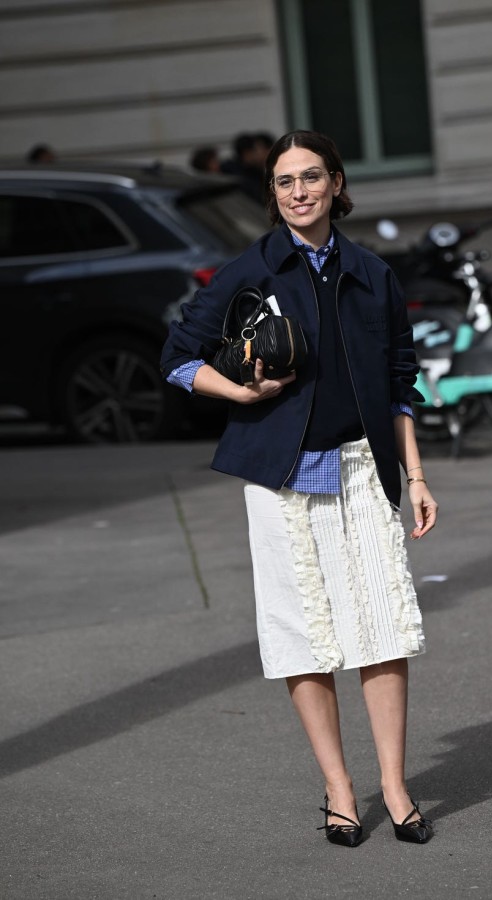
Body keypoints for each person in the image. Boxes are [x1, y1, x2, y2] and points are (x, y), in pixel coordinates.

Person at [161, 130, 438, 848]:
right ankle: (340, 790)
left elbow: (400, 381)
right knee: (307, 639)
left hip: (362, 467)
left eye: (312, 176)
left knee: (382, 629)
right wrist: (242, 395)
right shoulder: (247, 271)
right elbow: (178, 359)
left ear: (338, 184)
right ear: (273, 194)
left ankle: (397, 788)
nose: (299, 191)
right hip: (282, 476)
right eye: (285, 181)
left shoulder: (373, 273)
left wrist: (416, 475)